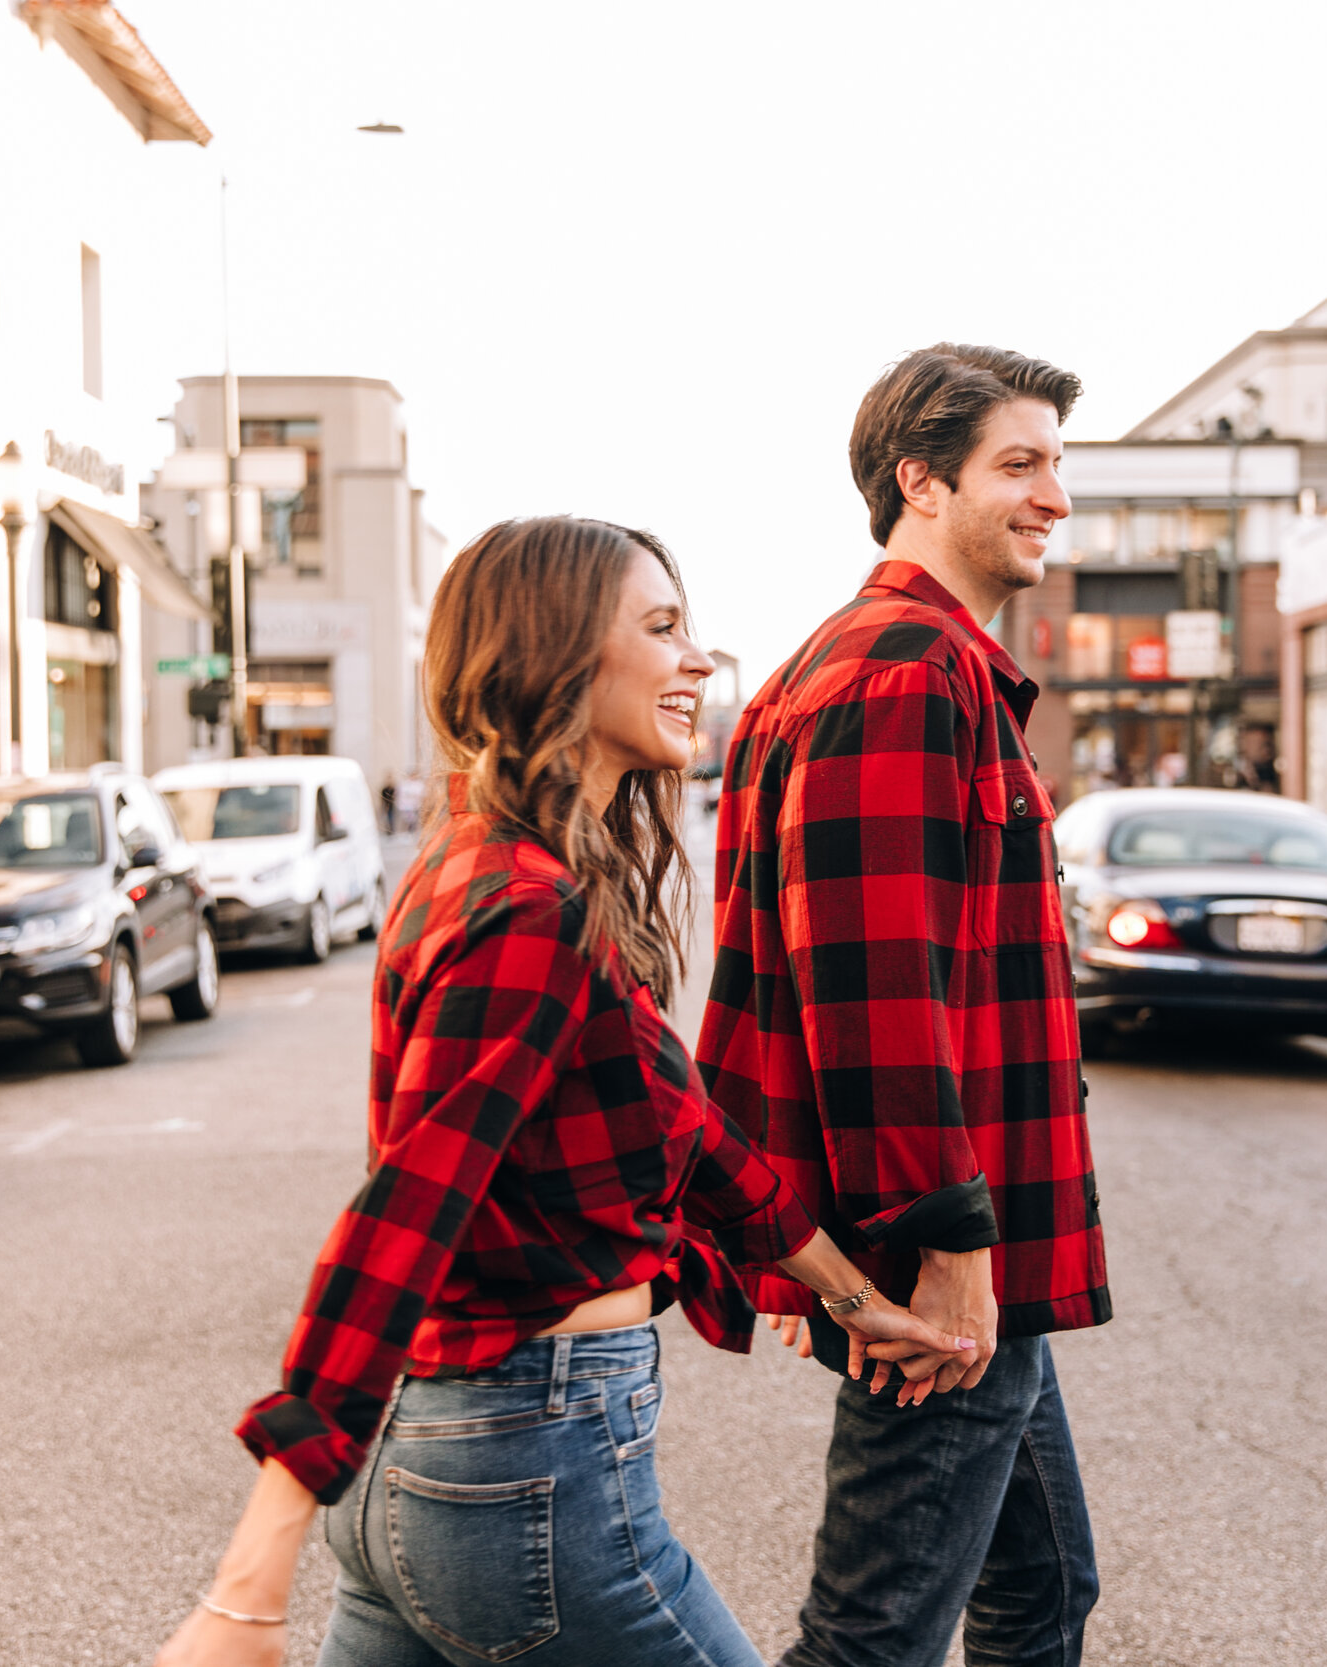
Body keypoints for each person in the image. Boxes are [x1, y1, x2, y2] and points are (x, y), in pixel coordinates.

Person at [157, 517, 973, 1667]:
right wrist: (249, 1585)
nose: (696, 659)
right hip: (522, 1471)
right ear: (555, 658)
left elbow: (685, 1131)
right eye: (660, 628)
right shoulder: (529, 909)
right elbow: (406, 1208)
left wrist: (848, 1295)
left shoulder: (502, 863)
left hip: (434, 1467)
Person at [698, 345, 1114, 1667]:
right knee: (872, 1637)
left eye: (1059, 463)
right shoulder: (901, 676)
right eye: (1022, 463)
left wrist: (798, 1209)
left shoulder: (892, 664)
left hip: (952, 1239)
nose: (1055, 494)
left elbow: (794, 972)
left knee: (1044, 1591)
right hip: (943, 1256)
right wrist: (940, 1249)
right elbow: (875, 997)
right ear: (918, 481)